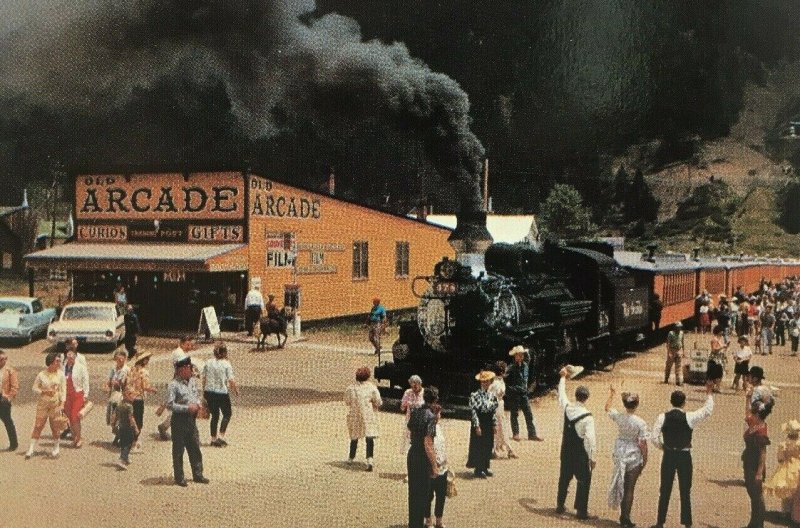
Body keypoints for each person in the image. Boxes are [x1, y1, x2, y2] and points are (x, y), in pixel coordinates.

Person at [650, 381, 715, 528]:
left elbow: (654, 437)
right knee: (685, 490)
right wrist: (709, 393)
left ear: (671, 402)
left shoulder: (663, 417)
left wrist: (663, 447)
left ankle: (660, 522)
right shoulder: (689, 417)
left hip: (668, 456)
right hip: (684, 457)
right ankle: (687, 523)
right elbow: (707, 411)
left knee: (665, 489)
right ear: (684, 403)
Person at [556, 367, 597, 520]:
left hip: (565, 449)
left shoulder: (567, 407)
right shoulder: (588, 417)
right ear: (586, 398)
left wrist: (563, 378)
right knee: (584, 480)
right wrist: (592, 458)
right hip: (580, 453)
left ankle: (560, 504)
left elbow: (561, 395)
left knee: (564, 478)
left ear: (576, 396)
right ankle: (581, 510)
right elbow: (590, 440)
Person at [606, 385, 648, 528]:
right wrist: (645, 459)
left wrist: (612, 394)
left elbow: (607, 408)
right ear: (637, 404)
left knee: (621, 483)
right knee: (630, 487)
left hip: (620, 452)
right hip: (633, 455)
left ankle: (623, 516)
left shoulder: (619, 417)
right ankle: (625, 518)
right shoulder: (640, 422)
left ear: (624, 404)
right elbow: (642, 443)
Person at [166, 355, 209, 486]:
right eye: (189, 368)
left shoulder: (192, 382)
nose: (191, 371)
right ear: (181, 370)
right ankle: (179, 478)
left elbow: (196, 395)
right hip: (179, 419)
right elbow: (170, 405)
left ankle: (198, 474)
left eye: (191, 368)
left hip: (191, 419)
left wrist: (198, 405)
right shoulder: (173, 385)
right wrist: (186, 408)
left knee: (195, 446)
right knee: (178, 449)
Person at [407, 387, 439, 528]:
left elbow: (410, 427)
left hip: (412, 452)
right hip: (422, 456)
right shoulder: (430, 418)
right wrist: (434, 465)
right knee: (423, 493)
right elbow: (428, 443)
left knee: (413, 492)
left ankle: (413, 523)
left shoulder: (415, 412)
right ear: (435, 400)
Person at [25, 352, 67, 459]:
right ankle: (31, 448)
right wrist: (44, 391)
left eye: (59, 361)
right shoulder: (41, 374)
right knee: (38, 425)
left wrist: (62, 403)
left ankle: (56, 448)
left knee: (55, 426)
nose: (59, 363)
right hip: (43, 403)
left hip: (55, 403)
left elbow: (63, 390)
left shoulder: (61, 374)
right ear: (51, 362)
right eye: (57, 361)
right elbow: (34, 388)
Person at [742, 384, 773, 528]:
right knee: (752, 493)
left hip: (755, 465)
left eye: (753, 414)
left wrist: (760, 472)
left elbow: (763, 453)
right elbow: (747, 413)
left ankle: (758, 523)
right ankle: (753, 522)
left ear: (758, 415)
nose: (750, 415)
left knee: (757, 496)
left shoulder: (760, 431)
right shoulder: (755, 424)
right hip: (749, 462)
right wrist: (748, 397)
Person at [158, 335, 197, 440]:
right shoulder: (178, 353)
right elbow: (183, 368)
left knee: (180, 406)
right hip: (179, 382)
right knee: (181, 406)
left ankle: (165, 426)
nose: (189, 347)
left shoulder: (182, 353)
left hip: (181, 380)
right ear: (182, 343)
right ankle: (165, 427)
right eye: (188, 344)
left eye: (190, 345)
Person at [344, 366, 382, 471]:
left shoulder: (351, 388)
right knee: (369, 437)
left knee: (354, 436)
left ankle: (351, 457)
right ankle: (370, 460)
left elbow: (347, 401)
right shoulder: (372, 388)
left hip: (354, 414)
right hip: (367, 415)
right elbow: (378, 401)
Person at [203, 342, 239, 447]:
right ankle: (221, 436)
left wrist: (204, 392)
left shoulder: (208, 362)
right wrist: (235, 390)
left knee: (215, 415)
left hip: (209, 391)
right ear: (224, 353)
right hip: (221, 392)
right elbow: (231, 380)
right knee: (227, 414)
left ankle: (213, 438)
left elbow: (204, 378)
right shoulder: (226, 364)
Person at [765, 420, 800, 523]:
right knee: (796, 492)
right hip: (798, 467)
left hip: (787, 467)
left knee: (785, 492)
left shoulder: (783, 444)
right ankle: (795, 514)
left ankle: (785, 513)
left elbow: (780, 458)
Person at [505, 345, 543, 442]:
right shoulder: (511, 368)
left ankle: (532, 433)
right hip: (514, 393)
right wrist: (511, 390)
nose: (520, 357)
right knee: (514, 413)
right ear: (515, 356)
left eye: (522, 355)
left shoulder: (525, 365)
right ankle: (516, 433)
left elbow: (526, 378)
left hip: (523, 392)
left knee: (528, 413)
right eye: (518, 355)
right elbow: (505, 380)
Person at [466, 370, 499, 478]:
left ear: (490, 382)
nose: (485, 384)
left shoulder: (492, 396)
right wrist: (477, 425)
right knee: (479, 444)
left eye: (487, 382)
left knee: (488, 444)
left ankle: (485, 467)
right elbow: (474, 412)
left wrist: (494, 424)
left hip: (488, 421)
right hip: (480, 420)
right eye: (483, 382)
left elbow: (493, 411)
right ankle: (478, 469)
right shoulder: (474, 395)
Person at [126, 350, 157, 451]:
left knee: (131, 419)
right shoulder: (144, 372)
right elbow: (146, 386)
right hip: (139, 398)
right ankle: (134, 443)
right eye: (147, 359)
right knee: (138, 421)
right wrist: (153, 390)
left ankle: (130, 440)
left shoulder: (131, 369)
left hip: (130, 397)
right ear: (143, 360)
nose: (148, 361)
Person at [424, 402, 448, 528]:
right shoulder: (429, 427)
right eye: (438, 413)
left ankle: (439, 520)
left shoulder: (439, 427)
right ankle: (428, 520)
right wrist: (434, 464)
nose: (440, 416)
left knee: (441, 495)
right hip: (432, 465)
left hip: (442, 465)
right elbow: (429, 446)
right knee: (429, 495)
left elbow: (442, 446)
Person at [488, 361, 516, 459]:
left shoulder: (498, 381)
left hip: (499, 405)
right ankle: (507, 449)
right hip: (496, 406)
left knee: (499, 428)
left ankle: (496, 449)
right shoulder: (495, 383)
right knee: (500, 428)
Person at [63, 349, 90, 448]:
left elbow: (86, 381)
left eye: (72, 354)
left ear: (75, 356)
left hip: (77, 394)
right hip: (66, 395)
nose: (70, 356)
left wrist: (86, 395)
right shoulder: (63, 367)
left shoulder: (80, 367)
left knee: (75, 416)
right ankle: (75, 437)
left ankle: (79, 438)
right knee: (69, 417)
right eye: (68, 354)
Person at [111, 384, 139, 470]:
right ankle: (122, 459)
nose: (134, 397)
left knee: (124, 443)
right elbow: (131, 418)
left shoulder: (120, 404)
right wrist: (136, 428)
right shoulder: (129, 406)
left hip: (121, 427)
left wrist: (113, 424)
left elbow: (114, 415)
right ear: (128, 395)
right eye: (133, 395)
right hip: (128, 428)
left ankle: (125, 458)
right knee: (128, 444)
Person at [105, 350, 130, 445]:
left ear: (125, 359)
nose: (119, 361)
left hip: (121, 396)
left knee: (119, 418)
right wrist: (107, 386)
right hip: (113, 395)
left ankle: (120, 437)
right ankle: (118, 435)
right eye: (117, 359)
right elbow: (109, 381)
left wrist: (117, 383)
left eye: (121, 359)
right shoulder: (113, 369)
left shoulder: (126, 370)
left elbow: (124, 384)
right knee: (112, 418)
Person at [0, 350, 19, 451]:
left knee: (7, 421)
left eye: (4, 359)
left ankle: (13, 444)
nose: (3, 361)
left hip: (3, 399)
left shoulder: (10, 371)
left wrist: (8, 397)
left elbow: (15, 387)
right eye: (1, 359)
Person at [707, 326, 728, 393]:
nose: (722, 332)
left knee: (719, 374)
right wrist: (722, 347)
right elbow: (714, 350)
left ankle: (717, 387)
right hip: (714, 359)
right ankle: (713, 387)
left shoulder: (720, 339)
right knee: (714, 374)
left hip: (719, 359)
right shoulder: (714, 339)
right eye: (721, 331)